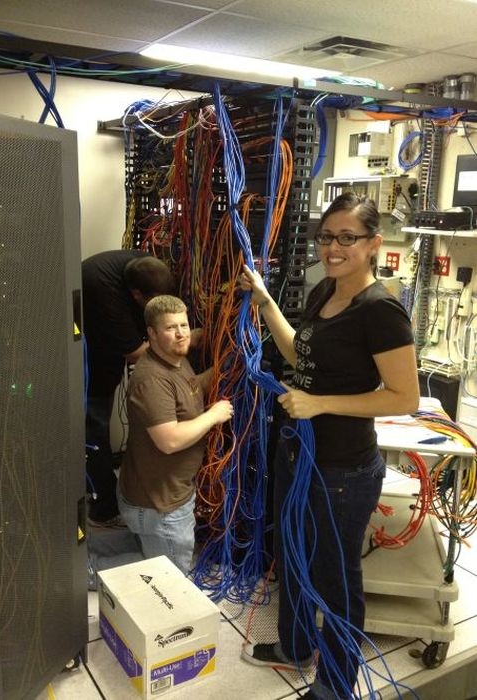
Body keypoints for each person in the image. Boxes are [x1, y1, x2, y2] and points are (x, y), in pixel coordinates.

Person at [239, 193, 419, 700]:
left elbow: (404, 397)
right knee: (292, 557)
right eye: (326, 237)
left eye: (347, 238)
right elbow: (302, 355)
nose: (333, 248)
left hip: (342, 471)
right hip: (299, 453)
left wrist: (319, 404)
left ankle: (335, 686)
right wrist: (266, 301)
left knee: (335, 580)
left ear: (373, 243)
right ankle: (296, 647)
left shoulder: (380, 310)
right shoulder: (325, 291)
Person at [116, 295, 233, 573]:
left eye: (184, 325)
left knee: (152, 557)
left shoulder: (174, 360)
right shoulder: (152, 379)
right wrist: (213, 416)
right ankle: (84, 570)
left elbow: (190, 388)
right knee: (170, 577)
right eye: (170, 328)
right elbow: (169, 440)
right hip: (160, 506)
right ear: (152, 334)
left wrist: (225, 365)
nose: (181, 334)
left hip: (165, 494)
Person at [82, 250, 175, 526]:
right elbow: (136, 353)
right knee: (93, 430)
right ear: (135, 294)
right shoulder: (106, 292)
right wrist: (185, 344)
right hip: (89, 363)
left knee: (95, 426)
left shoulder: (149, 269)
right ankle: (103, 510)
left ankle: (97, 490)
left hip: (103, 355)